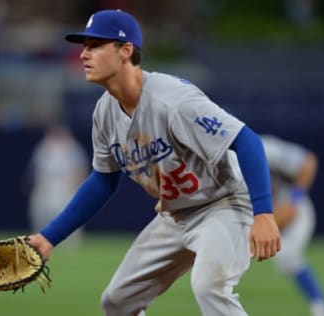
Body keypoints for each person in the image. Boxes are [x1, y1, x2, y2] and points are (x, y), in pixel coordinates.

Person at [28, 9, 280, 316]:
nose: (83, 54)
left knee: (209, 286)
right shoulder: (104, 113)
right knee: (117, 302)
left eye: (95, 45)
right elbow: (103, 180)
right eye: (84, 46)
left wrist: (264, 213)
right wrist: (49, 237)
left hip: (222, 205)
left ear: (125, 51)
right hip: (173, 217)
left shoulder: (172, 100)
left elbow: (246, 140)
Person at [261, 135, 324, 316]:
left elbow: (308, 162)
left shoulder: (264, 148)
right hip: (264, 214)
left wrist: (293, 202)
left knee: (287, 257)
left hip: (294, 211)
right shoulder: (219, 161)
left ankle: (322, 309)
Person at [26, 124, 89, 245]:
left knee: (69, 217)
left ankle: (70, 245)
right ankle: (39, 244)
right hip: (47, 186)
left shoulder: (74, 149)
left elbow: (80, 170)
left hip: (66, 186)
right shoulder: (43, 148)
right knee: (41, 216)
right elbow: (36, 171)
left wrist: (77, 188)